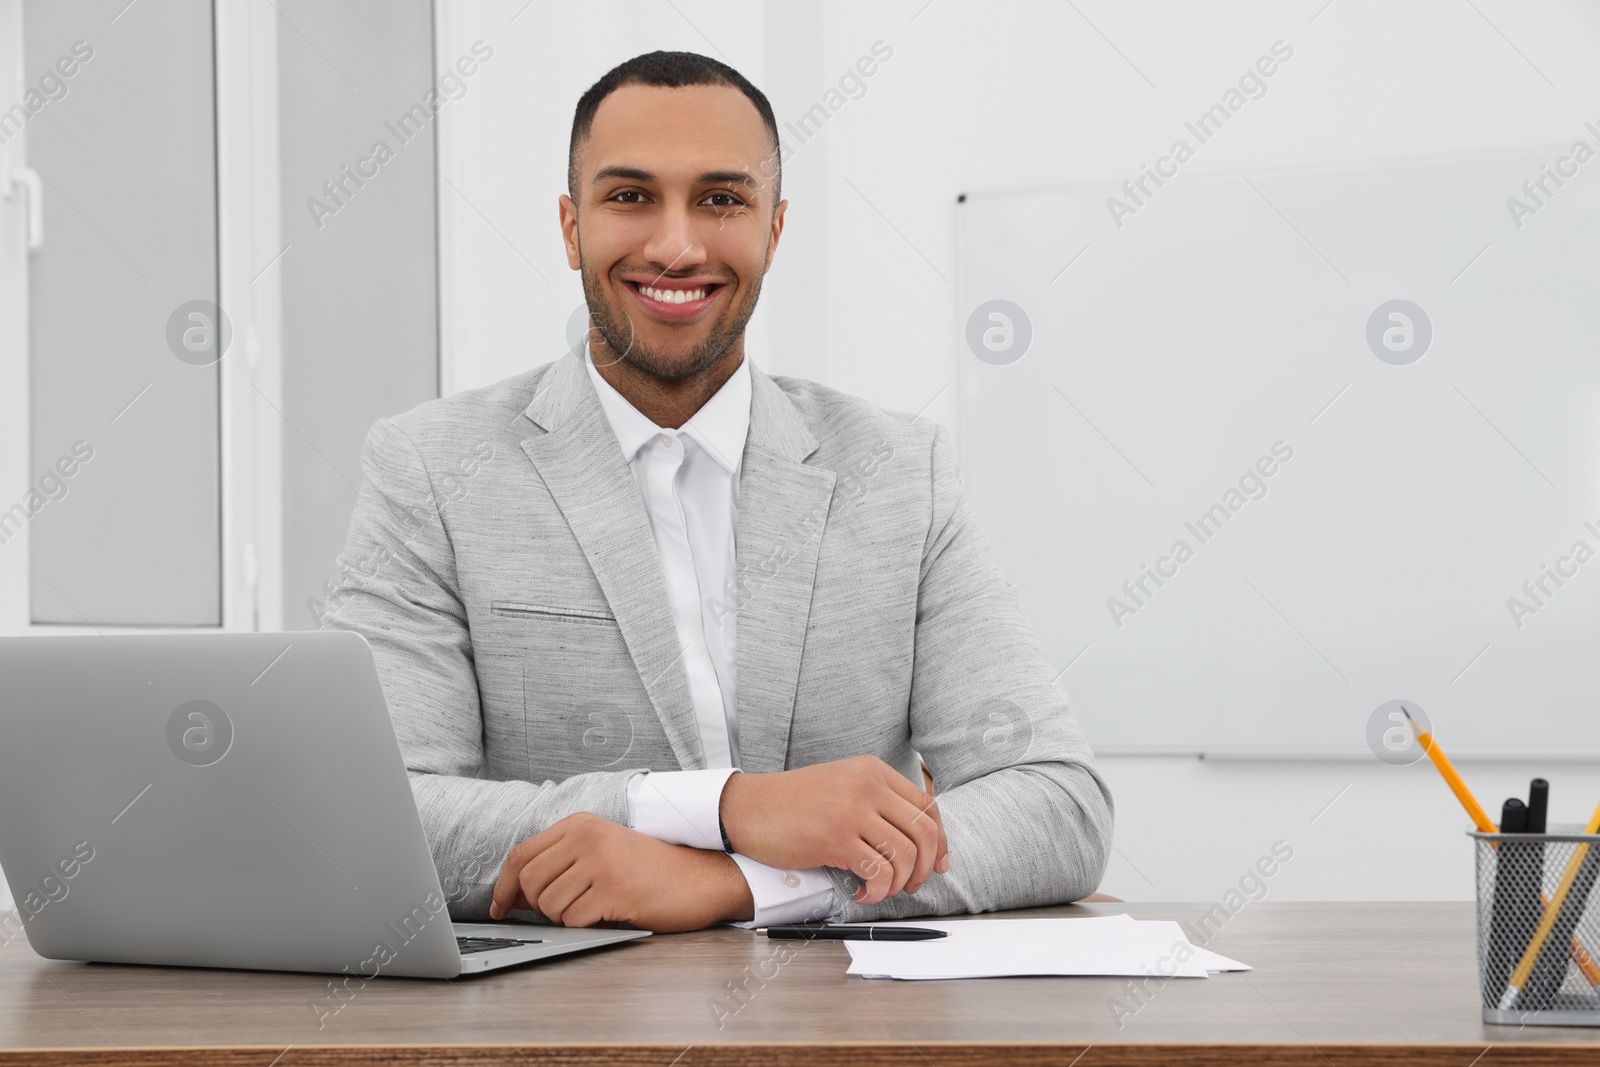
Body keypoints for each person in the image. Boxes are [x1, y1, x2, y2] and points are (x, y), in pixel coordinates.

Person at [324, 50, 1112, 933]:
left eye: (721, 200)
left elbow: (1057, 804)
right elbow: (379, 818)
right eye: (629, 197)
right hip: (559, 1025)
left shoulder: (900, 472)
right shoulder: (430, 468)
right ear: (570, 226)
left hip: (843, 1024)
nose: (676, 245)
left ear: (774, 230)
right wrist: (723, 807)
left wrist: (744, 887)